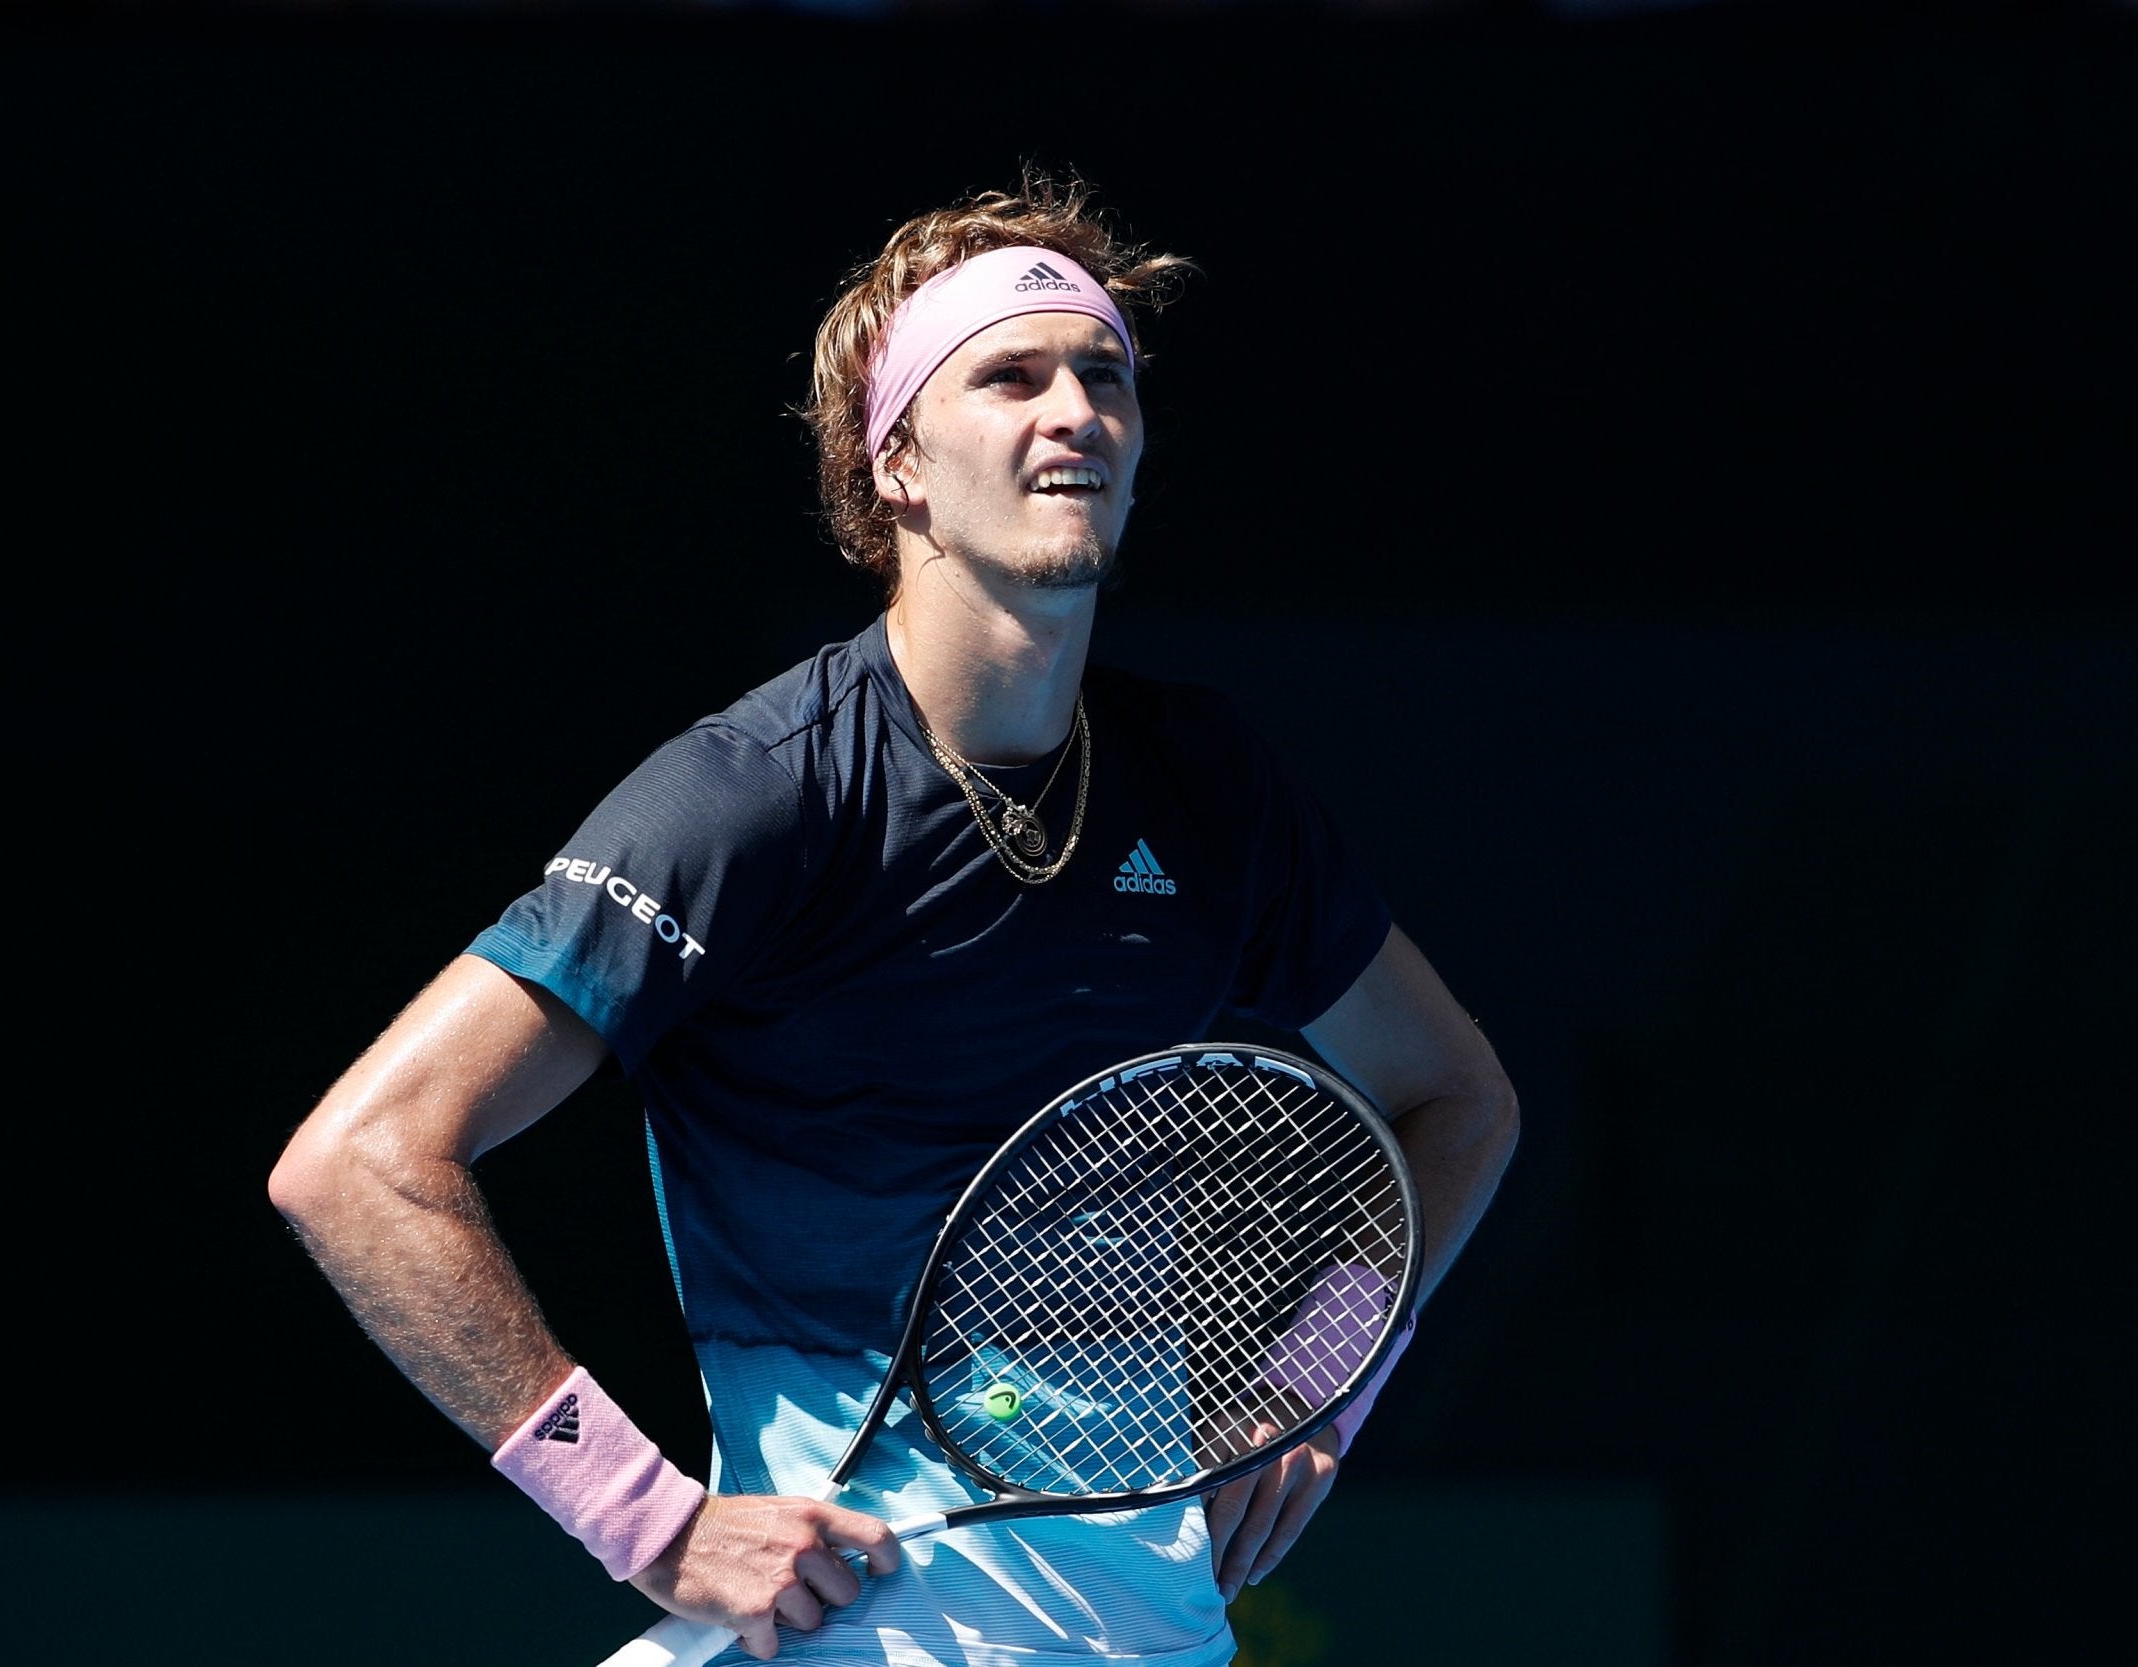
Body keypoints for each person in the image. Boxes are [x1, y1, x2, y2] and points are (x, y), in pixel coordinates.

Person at [268, 169, 1519, 1667]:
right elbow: (360, 1164)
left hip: (1152, 1630)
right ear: (898, 466)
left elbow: (1458, 1100)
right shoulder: (750, 799)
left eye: (1104, 375)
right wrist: (640, 1518)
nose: (1077, 411)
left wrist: (1310, 1388)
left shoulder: (1208, 789)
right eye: (1009, 376)